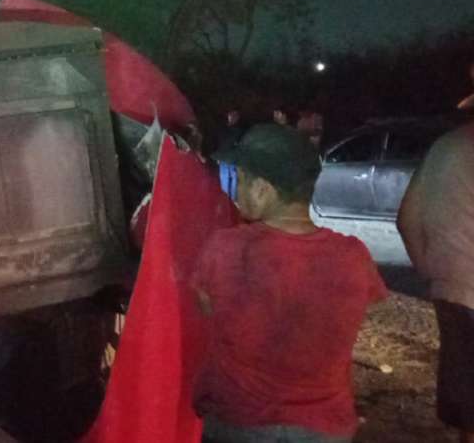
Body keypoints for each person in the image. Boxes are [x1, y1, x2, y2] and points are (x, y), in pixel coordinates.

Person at [192, 124, 387, 443]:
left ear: (262, 190)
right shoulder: (354, 255)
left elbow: (206, 309)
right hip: (325, 427)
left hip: (240, 422)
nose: (236, 191)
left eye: (240, 180)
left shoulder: (225, 248)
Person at [396, 120, 474, 443]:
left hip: (453, 292)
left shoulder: (444, 147)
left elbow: (405, 219)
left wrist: (434, 271)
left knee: (469, 409)